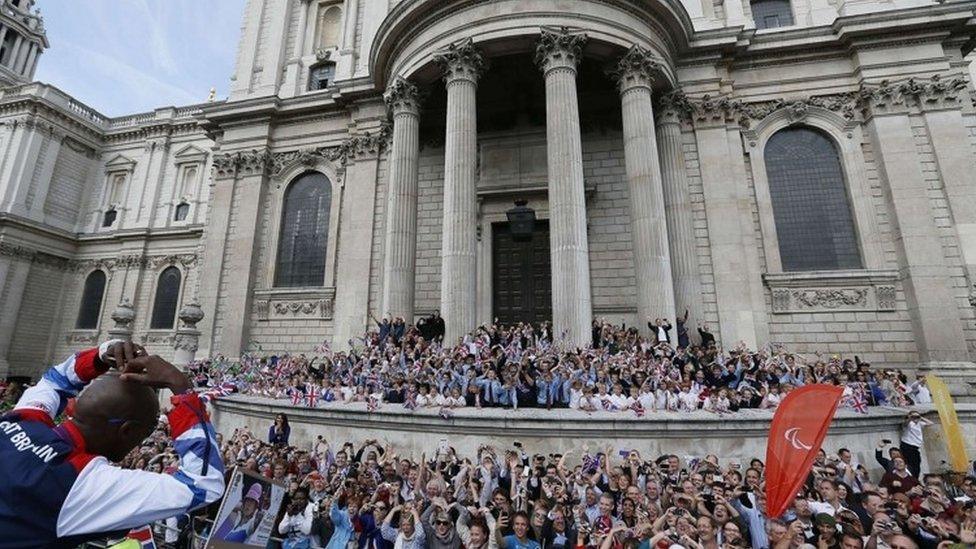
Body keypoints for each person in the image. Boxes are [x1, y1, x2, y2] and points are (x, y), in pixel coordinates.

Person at [0, 341, 225, 546]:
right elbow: (203, 484)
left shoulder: (21, 420)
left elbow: (55, 380)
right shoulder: (81, 485)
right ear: (126, 431)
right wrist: (181, 388)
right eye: (147, 431)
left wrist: (101, 355)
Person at [899, 411, 931, 477]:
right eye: (914, 416)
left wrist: (920, 417)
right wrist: (910, 418)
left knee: (917, 464)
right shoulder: (909, 424)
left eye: (917, 416)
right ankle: (912, 479)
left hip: (915, 447)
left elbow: (930, 423)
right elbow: (905, 424)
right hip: (907, 446)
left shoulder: (919, 423)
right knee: (911, 465)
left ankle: (915, 478)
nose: (915, 418)